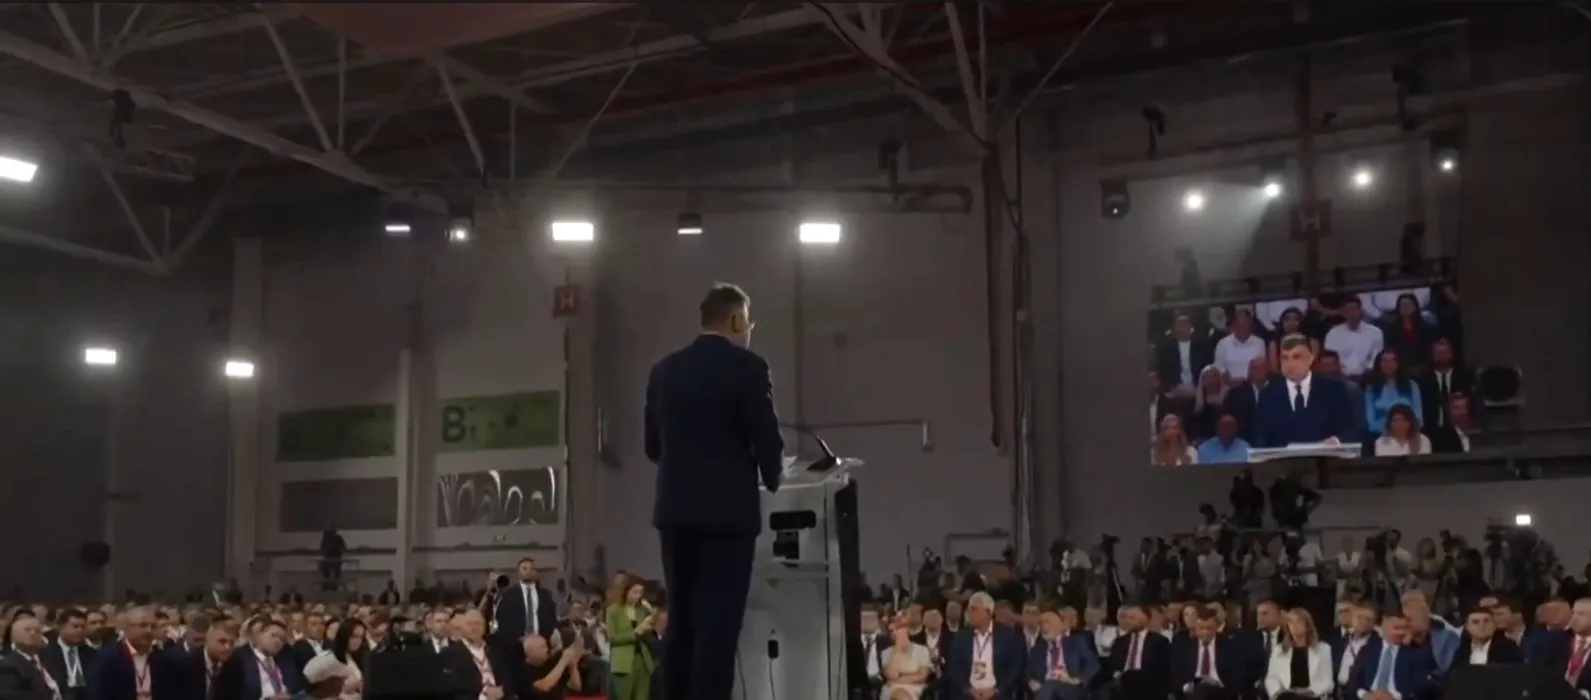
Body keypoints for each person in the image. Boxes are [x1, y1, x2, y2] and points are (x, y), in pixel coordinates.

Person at [645, 283, 785, 700]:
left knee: (682, 623)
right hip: (728, 518)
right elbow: (767, 440)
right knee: (717, 630)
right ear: (737, 320)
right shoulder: (748, 367)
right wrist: (773, 476)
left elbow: (652, 446)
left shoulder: (663, 371)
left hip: (675, 514)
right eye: (749, 322)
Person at [1252, 335, 1354, 448]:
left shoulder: (1333, 389)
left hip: (1324, 457)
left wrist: (1336, 441)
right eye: (1285, 358)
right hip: (1283, 458)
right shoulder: (1268, 394)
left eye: (1296, 357)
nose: (1290, 364)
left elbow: (1349, 430)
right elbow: (1262, 438)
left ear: (1310, 359)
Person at [1263, 609, 1332, 700]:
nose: (1294, 625)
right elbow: (1271, 678)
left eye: (1299, 621)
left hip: (1312, 696)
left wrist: (1308, 691)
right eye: (1291, 621)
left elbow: (1327, 681)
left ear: (1307, 625)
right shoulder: (1279, 650)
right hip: (1286, 697)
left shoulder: (1323, 649)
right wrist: (1279, 693)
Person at [605, 581, 656, 700]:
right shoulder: (613, 610)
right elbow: (612, 638)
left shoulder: (642, 610)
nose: (638, 596)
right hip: (623, 662)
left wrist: (652, 616)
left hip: (642, 661)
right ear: (625, 591)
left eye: (640, 593)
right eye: (635, 592)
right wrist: (635, 633)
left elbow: (650, 630)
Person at [882, 620, 932, 700]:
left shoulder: (922, 650)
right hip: (892, 688)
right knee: (899, 694)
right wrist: (897, 649)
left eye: (897, 629)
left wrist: (898, 678)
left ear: (906, 630)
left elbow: (921, 676)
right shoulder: (886, 652)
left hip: (915, 688)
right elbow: (891, 675)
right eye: (891, 631)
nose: (894, 633)